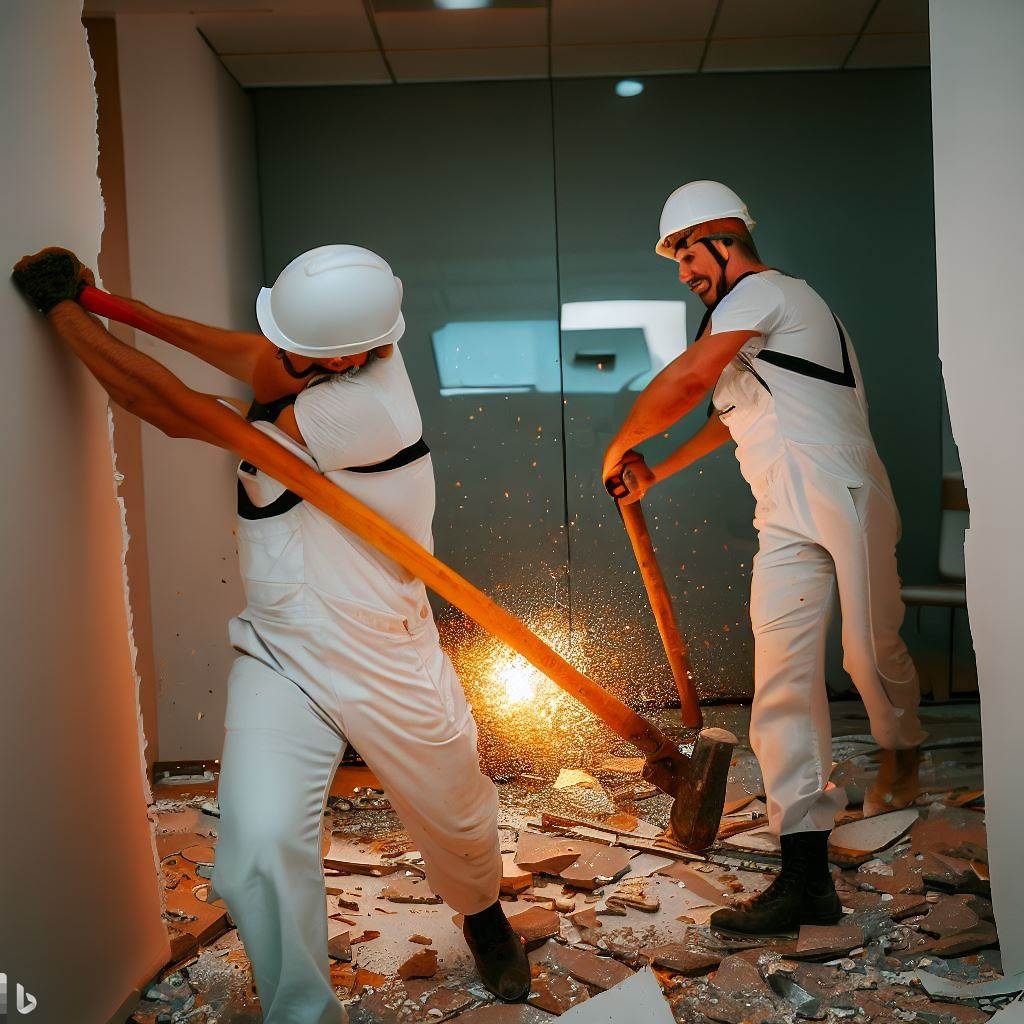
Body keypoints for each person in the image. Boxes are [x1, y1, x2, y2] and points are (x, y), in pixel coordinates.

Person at [12, 244, 530, 1020]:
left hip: (383, 653)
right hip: (282, 649)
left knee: (458, 820)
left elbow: (168, 406)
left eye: (298, 347)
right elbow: (253, 354)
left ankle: (483, 913)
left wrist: (61, 314)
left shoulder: (361, 409)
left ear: (353, 352)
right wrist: (108, 305)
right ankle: (303, 1013)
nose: (278, 352)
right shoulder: (333, 359)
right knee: (256, 848)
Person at [602, 182, 925, 935]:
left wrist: (621, 443)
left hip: (843, 486)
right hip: (782, 508)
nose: (681, 271)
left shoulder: (771, 295)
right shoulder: (737, 328)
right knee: (779, 681)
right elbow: (725, 415)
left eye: (685, 251)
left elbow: (685, 382)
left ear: (722, 236)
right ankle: (805, 873)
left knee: (868, 651)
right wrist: (657, 469)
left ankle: (901, 747)